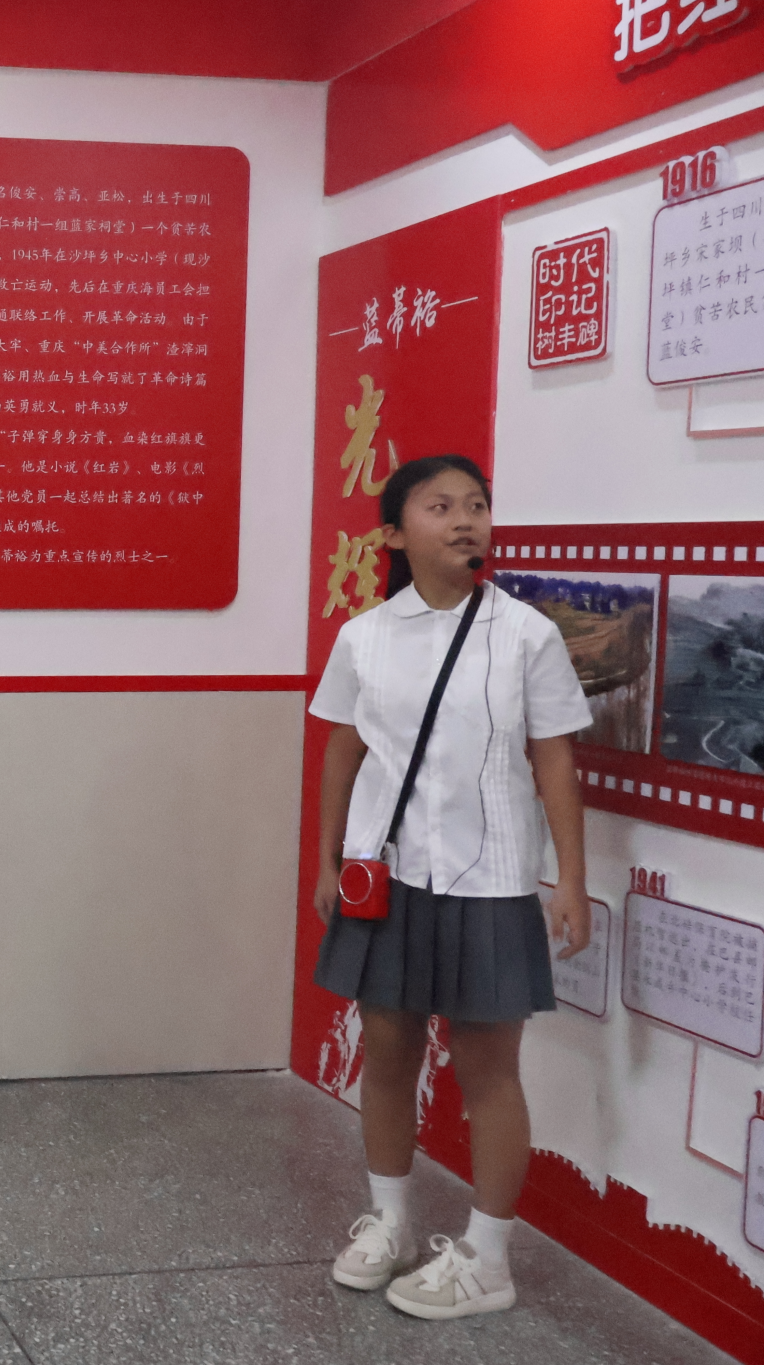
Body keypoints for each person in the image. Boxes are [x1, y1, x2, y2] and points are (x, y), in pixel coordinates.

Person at [309, 454, 591, 1321]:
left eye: (477, 504)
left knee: (488, 1069)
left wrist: (570, 879)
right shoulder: (364, 636)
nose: (466, 519)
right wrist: (326, 858)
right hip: (388, 872)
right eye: (440, 506)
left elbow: (554, 759)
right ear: (394, 533)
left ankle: (488, 1258)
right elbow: (344, 749)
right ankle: (389, 1223)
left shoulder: (526, 634)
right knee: (388, 1051)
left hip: (491, 878)